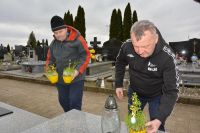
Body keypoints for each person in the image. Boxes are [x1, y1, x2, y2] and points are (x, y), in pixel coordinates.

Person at [115, 20, 179, 133]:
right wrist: (118, 84)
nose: (139, 51)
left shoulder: (167, 56)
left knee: (156, 126)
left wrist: (160, 118)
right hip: (135, 92)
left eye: (145, 46)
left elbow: (171, 91)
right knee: (133, 122)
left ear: (156, 39)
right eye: (136, 46)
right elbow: (120, 62)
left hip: (157, 95)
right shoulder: (127, 46)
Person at [46, 15, 91, 112]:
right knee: (63, 101)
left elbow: (86, 55)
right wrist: (50, 70)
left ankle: (76, 123)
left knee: (74, 101)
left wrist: (77, 70)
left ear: (66, 29)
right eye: (55, 33)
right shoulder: (53, 44)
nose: (58, 35)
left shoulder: (78, 39)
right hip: (61, 79)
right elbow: (50, 59)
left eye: (60, 31)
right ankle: (69, 117)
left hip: (76, 78)